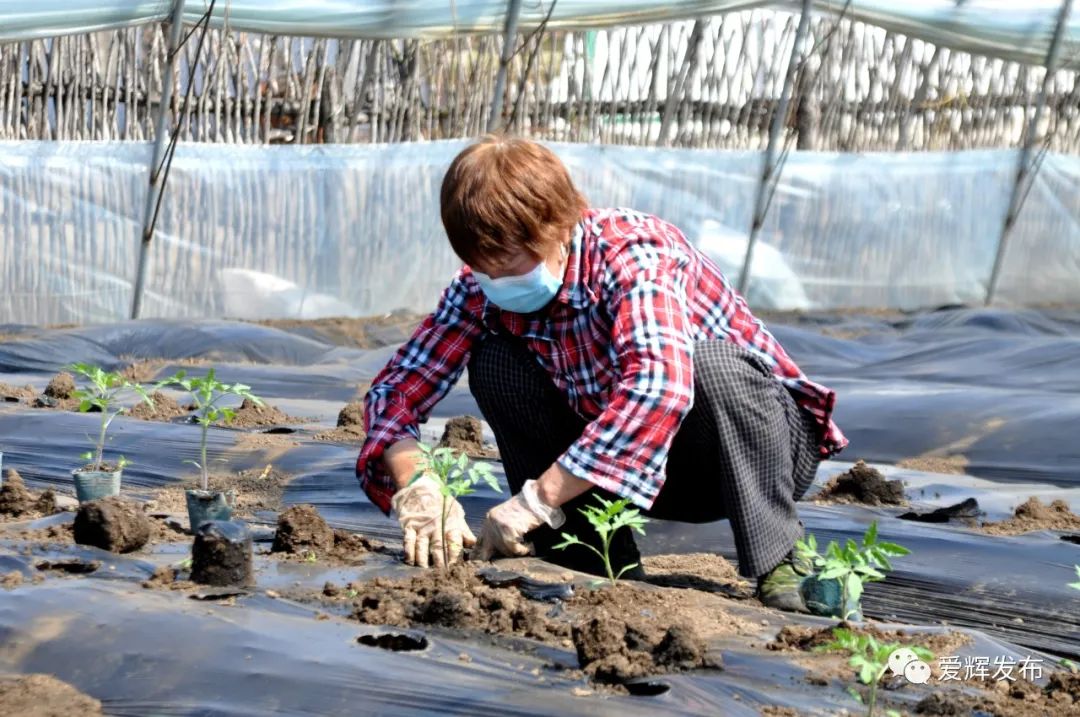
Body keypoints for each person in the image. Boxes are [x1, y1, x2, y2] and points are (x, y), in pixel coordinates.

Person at [355, 135, 847, 612]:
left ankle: (783, 560)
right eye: (482, 266)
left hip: (749, 458)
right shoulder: (480, 287)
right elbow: (395, 389)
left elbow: (659, 387)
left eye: (509, 262)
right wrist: (417, 484)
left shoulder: (634, 253)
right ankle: (583, 554)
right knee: (497, 363)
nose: (496, 281)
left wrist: (536, 500)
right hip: (636, 475)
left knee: (710, 368)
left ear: (557, 227)